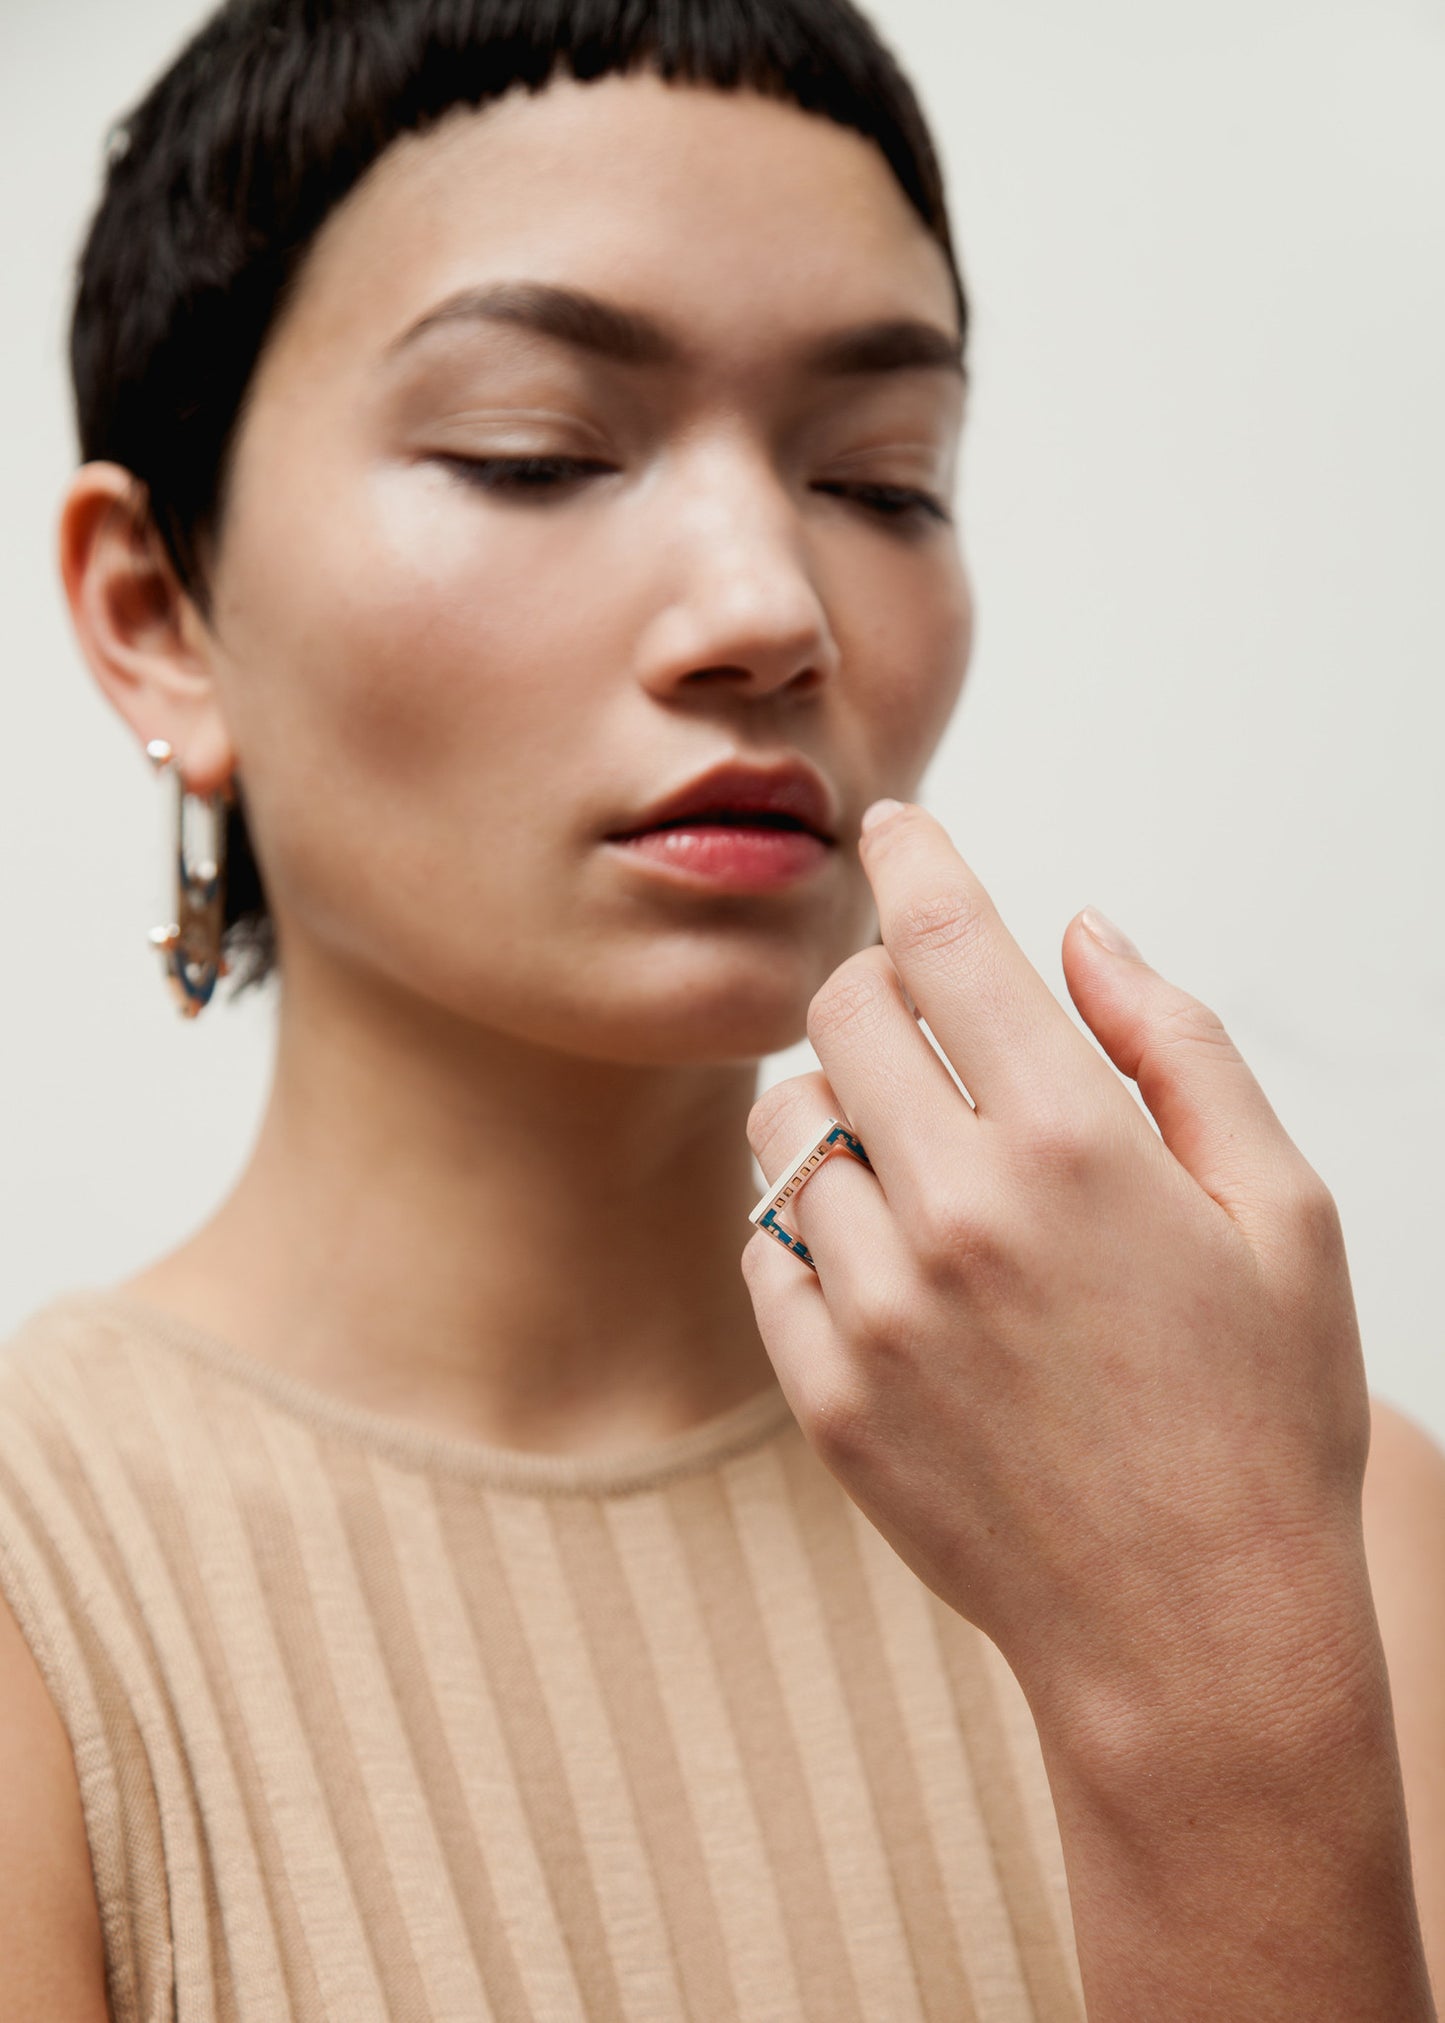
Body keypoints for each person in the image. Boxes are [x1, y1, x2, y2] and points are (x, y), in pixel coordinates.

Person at [2, 0, 1442, 2016]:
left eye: (883, 476)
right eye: (538, 452)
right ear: (157, 613)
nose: (775, 606)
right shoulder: (41, 1592)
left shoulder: (1320, 1514)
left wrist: (1216, 1671)